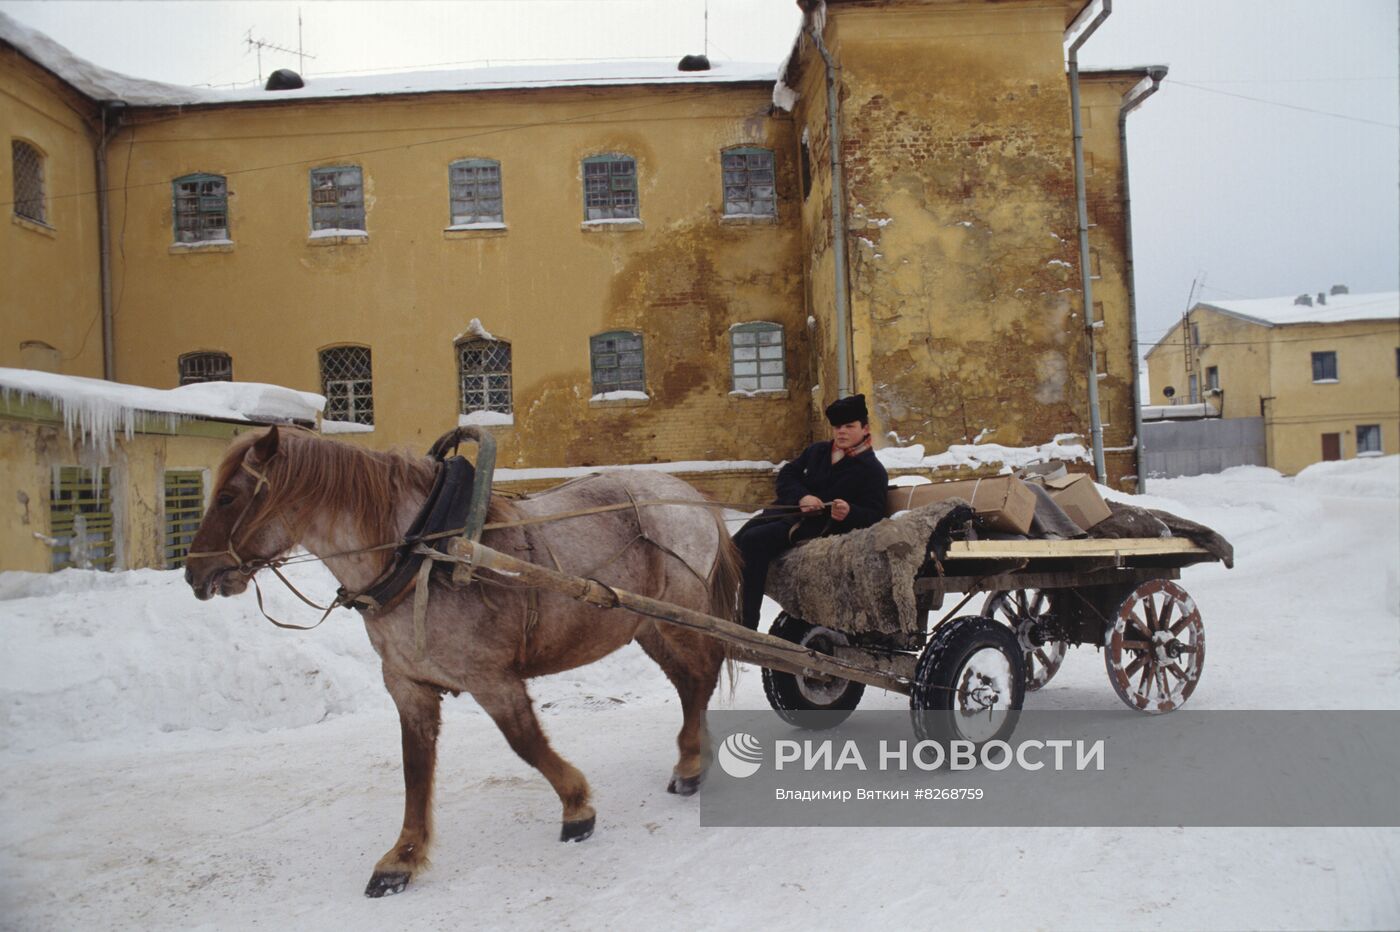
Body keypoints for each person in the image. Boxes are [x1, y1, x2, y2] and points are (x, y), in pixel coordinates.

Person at [732, 393, 889, 630]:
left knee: (754, 540)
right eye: (837, 427)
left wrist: (850, 512)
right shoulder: (818, 451)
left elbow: (875, 514)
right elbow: (787, 475)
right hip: (787, 515)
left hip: (820, 528)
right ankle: (718, 609)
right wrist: (802, 496)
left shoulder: (872, 470)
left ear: (865, 429)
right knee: (731, 546)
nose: (841, 432)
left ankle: (747, 624)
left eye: (849, 426)